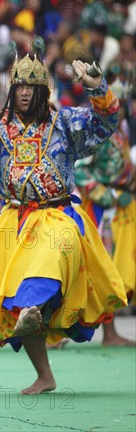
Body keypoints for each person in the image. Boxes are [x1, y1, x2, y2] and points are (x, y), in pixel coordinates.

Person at [0, 39, 128, 394]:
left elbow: (107, 121)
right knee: (17, 299)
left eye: (31, 88)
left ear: (43, 90)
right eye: (18, 87)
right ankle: (44, 373)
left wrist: (97, 87)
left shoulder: (65, 122)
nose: (23, 94)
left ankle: (32, 308)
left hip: (58, 216)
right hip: (15, 220)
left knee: (49, 262)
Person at [75, 81, 135, 346]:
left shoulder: (120, 133)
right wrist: (108, 196)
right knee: (104, 269)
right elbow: (79, 170)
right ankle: (106, 334)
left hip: (122, 208)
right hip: (102, 211)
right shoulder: (97, 134)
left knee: (119, 269)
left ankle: (111, 332)